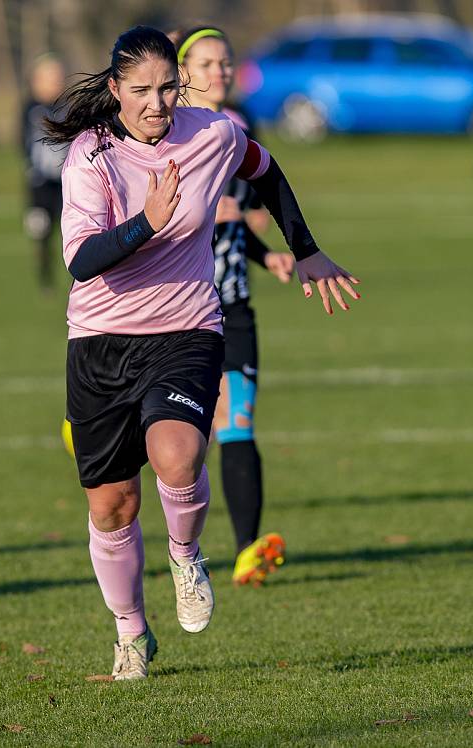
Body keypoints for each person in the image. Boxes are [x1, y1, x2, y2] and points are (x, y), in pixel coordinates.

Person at [44, 26, 360, 680]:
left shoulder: (210, 135)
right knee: (111, 505)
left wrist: (306, 249)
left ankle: (186, 558)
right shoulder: (90, 156)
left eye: (166, 87)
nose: (156, 103)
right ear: (115, 90)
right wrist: (146, 223)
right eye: (140, 91)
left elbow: (266, 170)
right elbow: (81, 261)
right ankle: (131, 631)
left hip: (186, 328)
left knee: (179, 454)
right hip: (100, 344)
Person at [169, 25, 292, 588]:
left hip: (233, 303)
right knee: (173, 441)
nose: (220, 71)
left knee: (236, 421)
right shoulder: (162, 132)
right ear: (183, 71)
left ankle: (247, 551)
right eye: (207, 62)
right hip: (172, 308)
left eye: (226, 61)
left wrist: (266, 255)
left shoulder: (238, 128)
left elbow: (237, 218)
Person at [21, 55, 67, 291]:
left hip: (64, 181)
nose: (55, 83)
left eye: (58, 78)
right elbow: (23, 140)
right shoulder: (30, 108)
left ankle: (77, 275)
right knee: (41, 228)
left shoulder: (66, 106)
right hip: (39, 182)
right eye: (50, 79)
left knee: (68, 228)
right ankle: (45, 277)